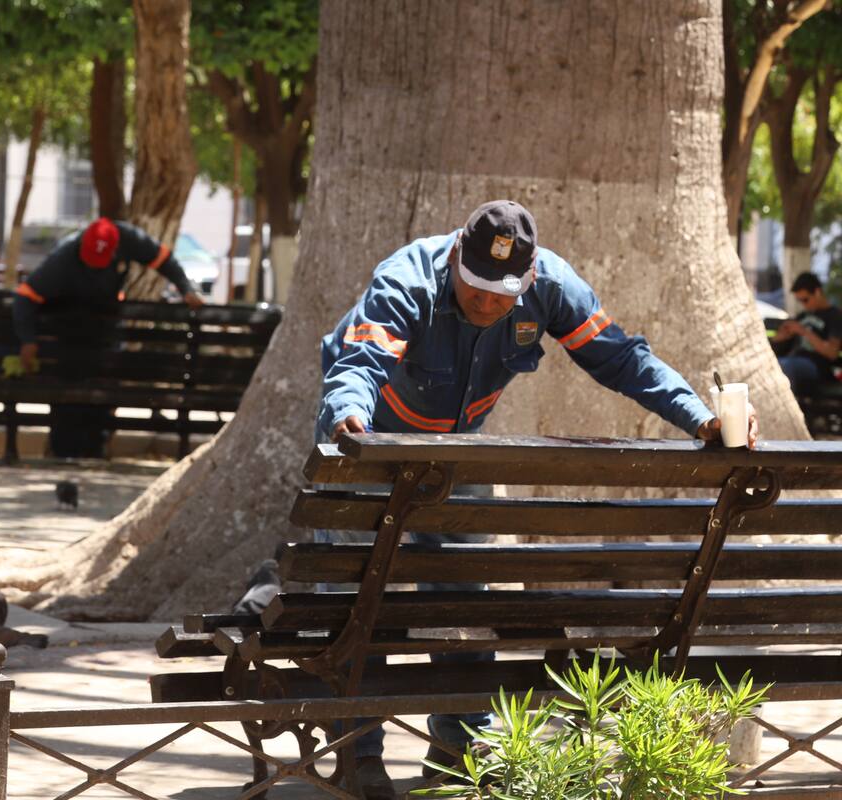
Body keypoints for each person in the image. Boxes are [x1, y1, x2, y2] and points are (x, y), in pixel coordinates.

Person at [316, 200, 758, 798]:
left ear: (526, 277)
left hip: (453, 448)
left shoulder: (552, 283)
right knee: (355, 591)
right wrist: (350, 423)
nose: (488, 303)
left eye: (503, 292)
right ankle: (357, 754)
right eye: (475, 286)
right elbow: (360, 363)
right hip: (363, 437)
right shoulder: (406, 278)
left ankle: (458, 750)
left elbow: (623, 358)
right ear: (455, 259)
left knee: (464, 597)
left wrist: (701, 417)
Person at [12, 217, 205, 457]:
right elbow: (26, 296)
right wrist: (28, 340)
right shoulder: (63, 258)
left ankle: (97, 450)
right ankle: (62, 451)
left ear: (115, 249)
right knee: (69, 402)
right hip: (70, 335)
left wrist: (185, 287)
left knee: (102, 397)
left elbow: (164, 260)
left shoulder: (128, 239)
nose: (95, 266)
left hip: (107, 333)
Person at [773, 272, 842, 398]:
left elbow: (832, 352)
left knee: (786, 366)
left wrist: (804, 331)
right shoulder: (802, 316)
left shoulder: (834, 316)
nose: (803, 304)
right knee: (775, 365)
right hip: (792, 360)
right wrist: (782, 336)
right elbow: (777, 343)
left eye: (805, 299)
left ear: (817, 292)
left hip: (816, 367)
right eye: (799, 300)